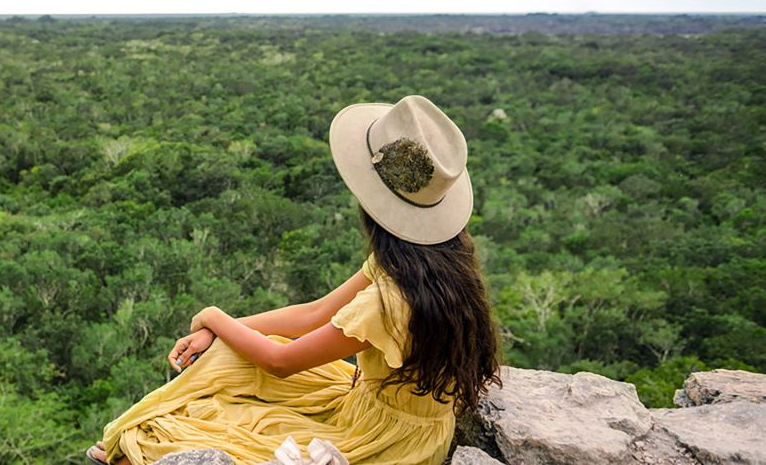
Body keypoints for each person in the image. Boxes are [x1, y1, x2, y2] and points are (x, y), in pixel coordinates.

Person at [86, 95, 501, 465]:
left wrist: (213, 317)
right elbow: (315, 313)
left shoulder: (388, 301)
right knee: (229, 354)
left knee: (217, 404)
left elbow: (281, 364)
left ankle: (134, 449)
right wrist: (223, 330)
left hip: (382, 438)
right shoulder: (436, 261)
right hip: (389, 410)